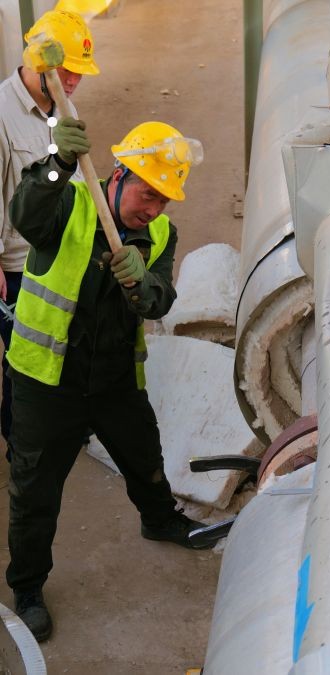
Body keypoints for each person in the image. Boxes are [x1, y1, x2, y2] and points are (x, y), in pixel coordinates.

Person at [6, 115, 212, 642]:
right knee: (35, 489)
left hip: (115, 377)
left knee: (144, 454)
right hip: (47, 380)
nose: (154, 209)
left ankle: (159, 519)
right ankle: (27, 588)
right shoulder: (68, 207)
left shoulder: (160, 234)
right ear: (118, 175)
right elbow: (25, 213)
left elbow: (159, 301)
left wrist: (144, 286)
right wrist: (58, 164)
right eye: (148, 194)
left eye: (164, 200)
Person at [0, 9, 98, 452]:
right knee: (25, 359)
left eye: (79, 72)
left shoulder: (63, 105)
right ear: (39, 62)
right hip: (17, 263)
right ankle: (21, 440)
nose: (73, 81)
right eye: (66, 71)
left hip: (59, 255)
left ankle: (59, 428)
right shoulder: (4, 114)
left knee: (60, 347)